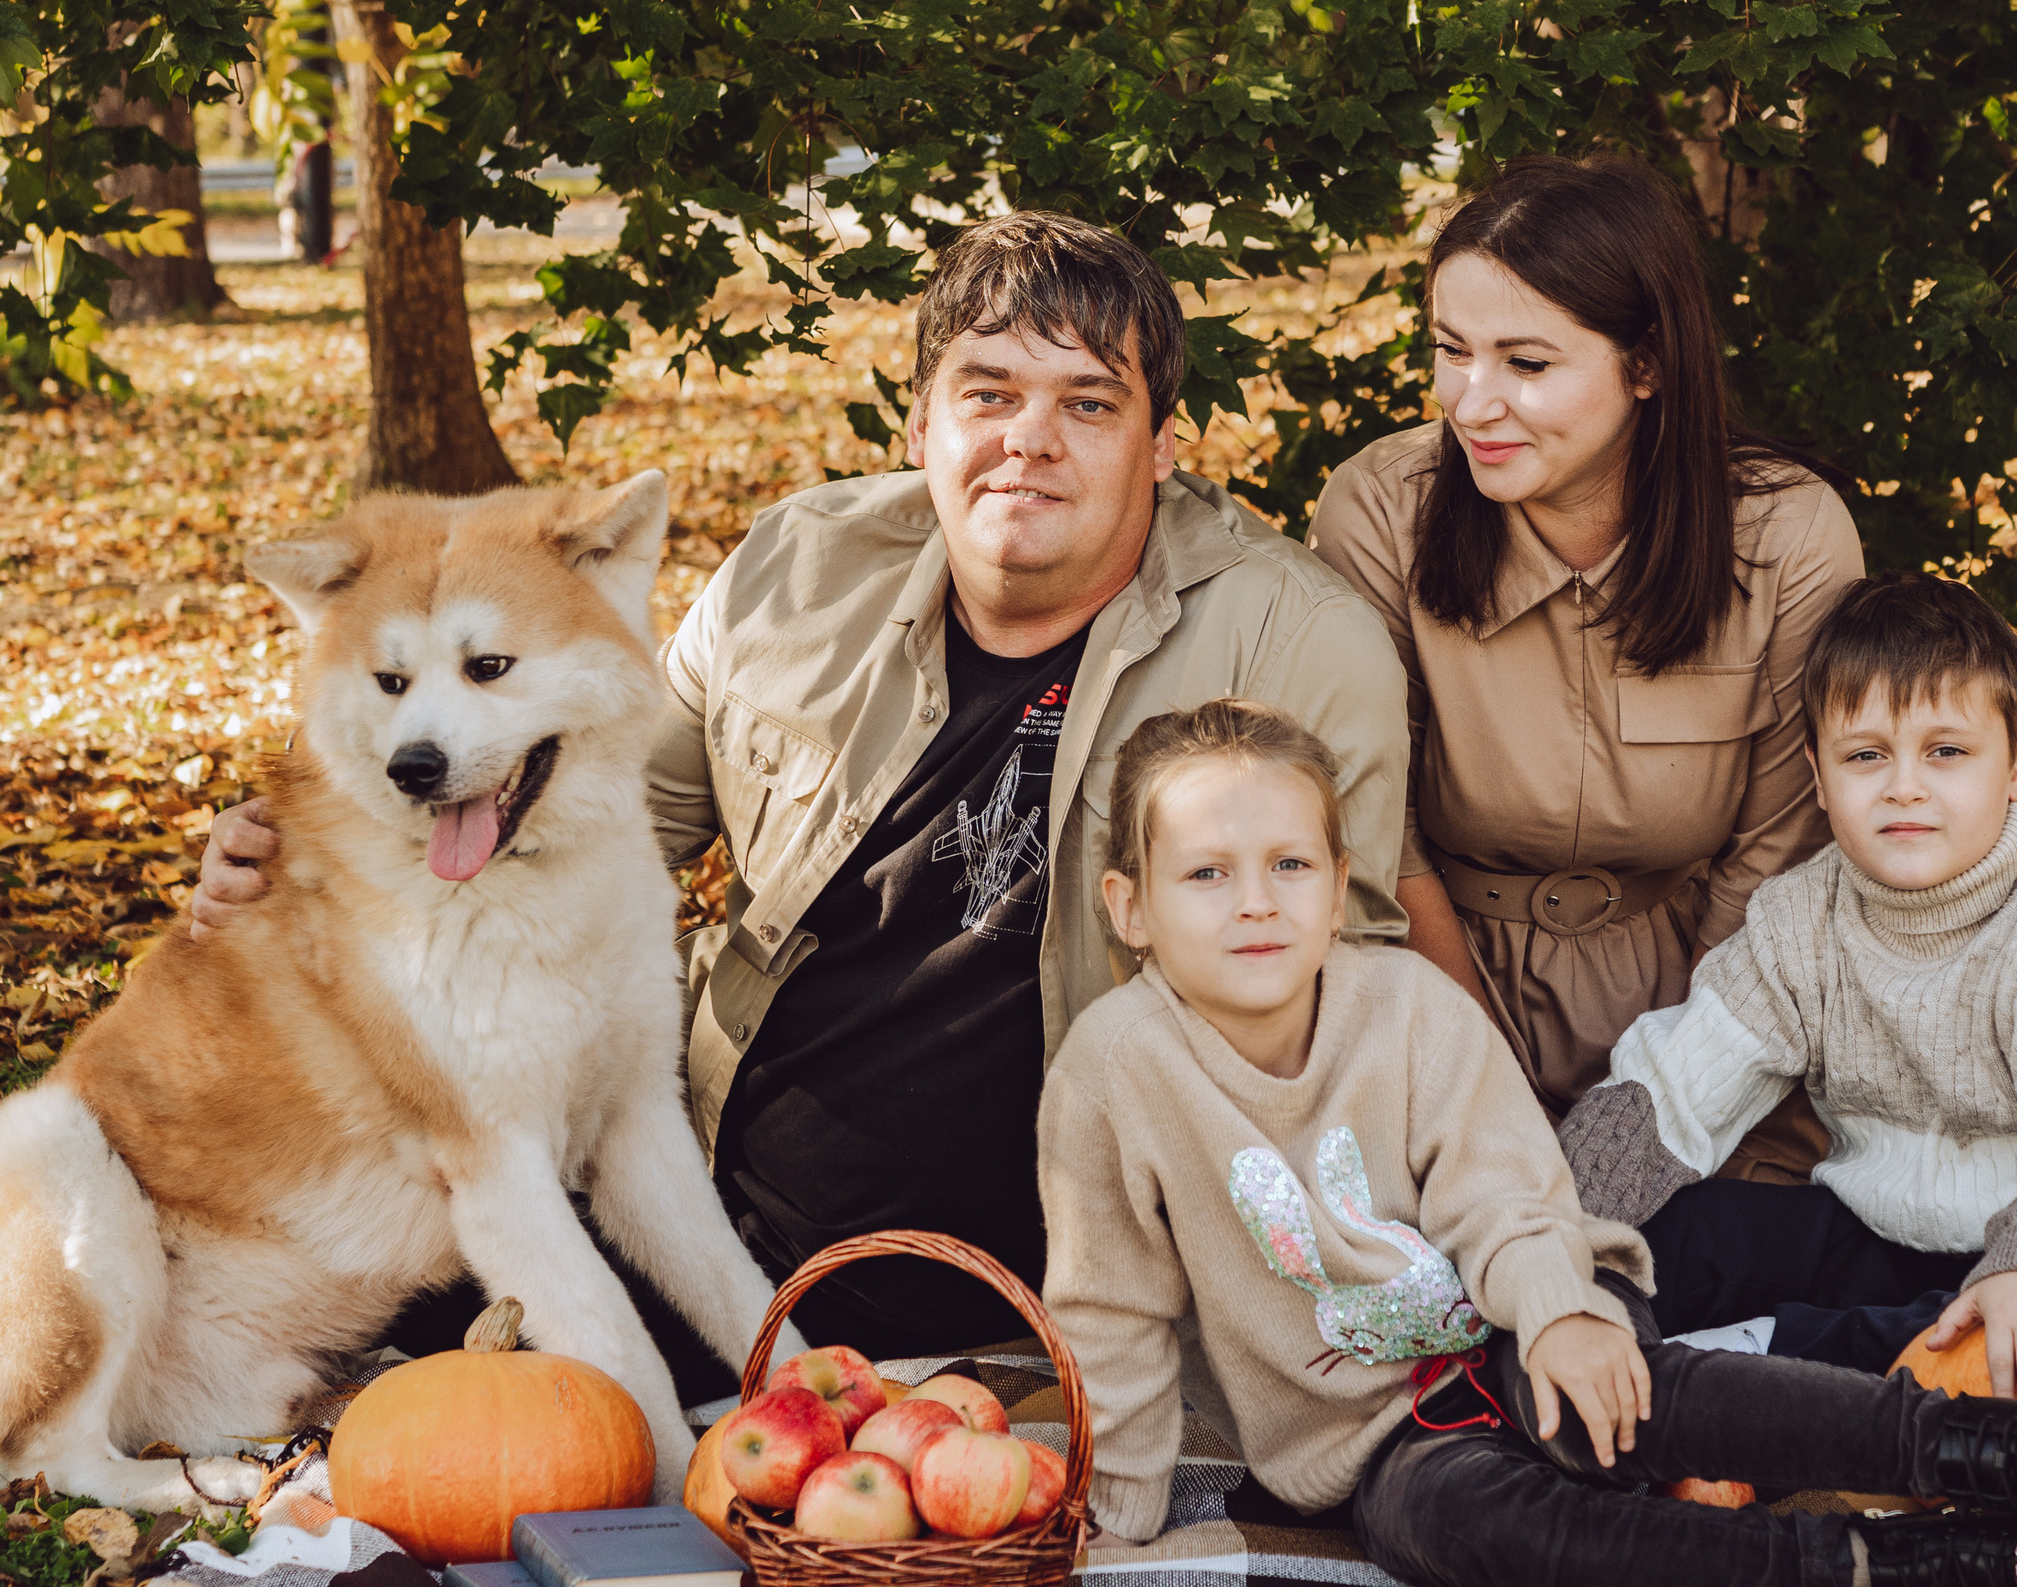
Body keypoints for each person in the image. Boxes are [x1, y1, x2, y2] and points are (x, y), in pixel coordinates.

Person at [195, 212, 1411, 1374]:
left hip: (1081, 1282)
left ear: (1162, 442)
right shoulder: (795, 571)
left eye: (1088, 404)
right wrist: (311, 860)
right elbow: (591, 811)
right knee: (361, 1342)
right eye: (988, 394)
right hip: (723, 1231)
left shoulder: (1293, 642)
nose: (1029, 441)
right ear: (922, 418)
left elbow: (1339, 1011)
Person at [1038, 697, 2017, 1587]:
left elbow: (1505, 1190)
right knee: (1458, 1534)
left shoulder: (1404, 1008)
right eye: (1205, 874)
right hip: (1366, 1438)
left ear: (1341, 889)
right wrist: (1116, 1513)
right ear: (1128, 906)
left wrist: (1557, 1317)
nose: (1254, 901)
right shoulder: (1112, 1072)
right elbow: (1112, 1301)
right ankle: (1923, 1559)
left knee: (1622, 1398)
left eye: (1289, 863)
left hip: (1515, 1313)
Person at [1559, 573, 2017, 1391]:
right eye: (1866, 755)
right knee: (1678, 1228)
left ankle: (1768, 1361)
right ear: (1820, 779)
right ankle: (1665, 1343)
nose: (1904, 785)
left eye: (1946, 752)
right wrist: (1550, 1242)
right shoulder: (1801, 923)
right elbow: (1669, 1094)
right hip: (1896, 1237)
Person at [1309, 157, 1863, 1139]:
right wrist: (1486, 1101)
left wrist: (1666, 1105)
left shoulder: (1787, 535)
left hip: (1717, 1007)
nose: (1472, 403)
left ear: (1645, 365)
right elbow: (1373, 830)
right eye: (1450, 350)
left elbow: (1778, 853)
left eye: (1525, 364)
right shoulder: (1379, 511)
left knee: (1725, 1263)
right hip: (1435, 989)